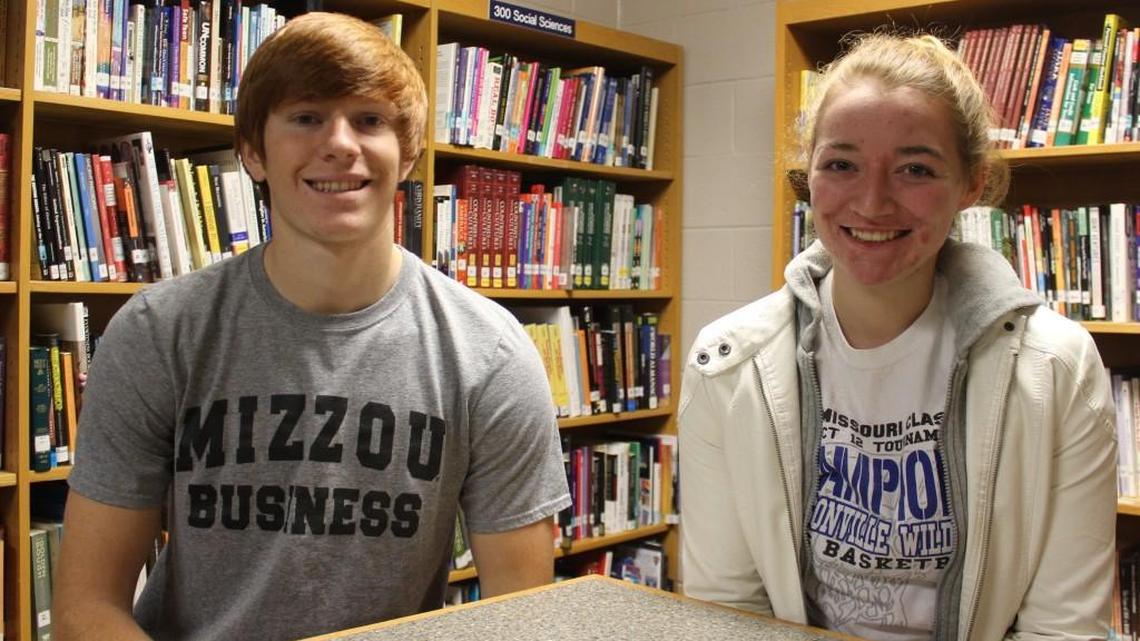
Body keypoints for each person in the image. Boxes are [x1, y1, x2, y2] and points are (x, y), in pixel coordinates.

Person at [55, 12, 571, 641]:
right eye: (305, 117)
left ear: (406, 152)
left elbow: (522, 620)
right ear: (252, 152)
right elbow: (86, 609)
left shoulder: (489, 355)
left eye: (370, 119)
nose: (340, 143)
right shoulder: (159, 333)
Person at [678, 32, 1117, 640]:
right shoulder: (728, 366)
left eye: (915, 168)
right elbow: (726, 613)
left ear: (969, 184)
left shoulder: (1057, 369)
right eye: (841, 164)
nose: (872, 200)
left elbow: (1064, 630)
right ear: (809, 174)